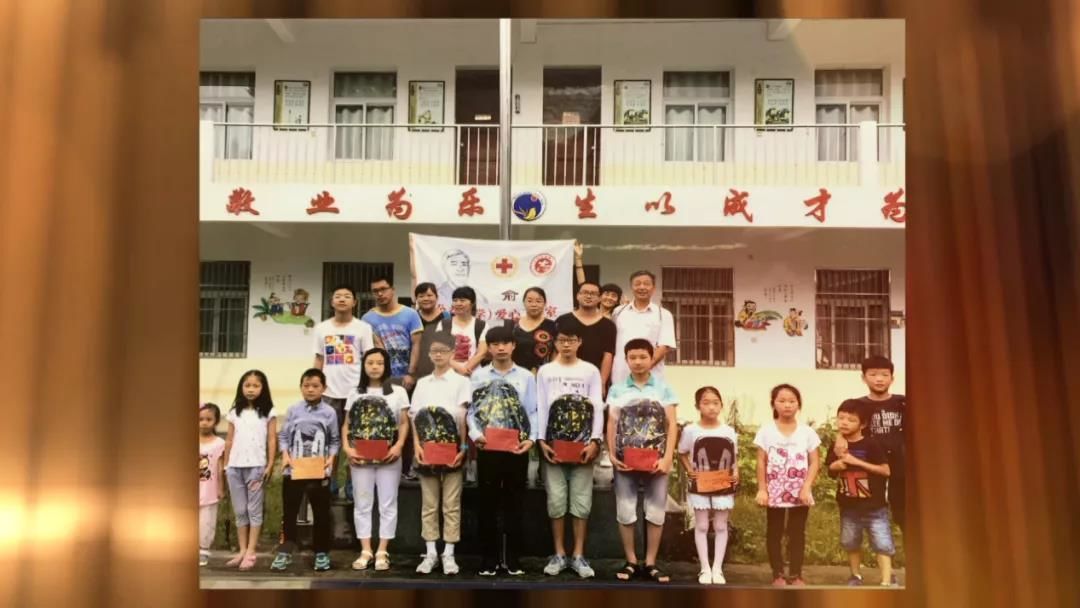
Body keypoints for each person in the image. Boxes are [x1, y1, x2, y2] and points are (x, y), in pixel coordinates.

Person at [468, 326, 539, 577]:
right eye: (495, 344)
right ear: (488, 348)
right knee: (487, 503)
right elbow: (472, 411)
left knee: (514, 503)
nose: (500, 348)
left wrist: (530, 439)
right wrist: (475, 435)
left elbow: (532, 410)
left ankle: (512, 559)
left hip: (516, 447)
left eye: (505, 343)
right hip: (487, 446)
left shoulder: (526, 377)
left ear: (513, 346)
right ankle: (488, 559)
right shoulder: (478, 376)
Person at [606, 339, 679, 584]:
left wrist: (668, 457)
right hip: (625, 461)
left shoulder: (664, 388)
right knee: (625, 510)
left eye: (643, 357)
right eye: (633, 357)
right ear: (626, 360)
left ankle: (650, 563)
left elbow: (671, 424)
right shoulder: (617, 389)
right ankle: (631, 561)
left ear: (651, 358)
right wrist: (612, 454)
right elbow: (612, 422)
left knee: (656, 512)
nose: (638, 362)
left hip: (656, 462)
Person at [535, 323, 603, 579]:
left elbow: (597, 406)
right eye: (562, 340)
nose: (566, 344)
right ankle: (559, 553)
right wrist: (541, 440)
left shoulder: (590, 371)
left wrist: (595, 441)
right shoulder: (546, 371)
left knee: (581, 502)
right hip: (554, 446)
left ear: (579, 342)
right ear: (554, 342)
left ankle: (578, 555)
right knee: (556, 501)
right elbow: (541, 405)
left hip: (582, 448)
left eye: (571, 340)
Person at [343, 348, 411, 571]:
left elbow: (404, 423)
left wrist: (399, 446)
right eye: (370, 363)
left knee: (387, 503)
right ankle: (366, 550)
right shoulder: (355, 392)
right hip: (361, 457)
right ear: (364, 366)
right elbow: (347, 424)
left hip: (388, 457)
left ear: (386, 366)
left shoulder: (398, 392)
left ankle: (382, 550)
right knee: (362, 503)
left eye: (379, 363)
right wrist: (347, 448)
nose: (374, 367)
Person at [410, 332, 472, 576]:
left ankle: (449, 554)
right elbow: (414, 417)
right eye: (434, 351)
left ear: (452, 353)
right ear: (428, 354)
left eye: (443, 350)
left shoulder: (461, 382)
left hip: (452, 450)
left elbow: (463, 419)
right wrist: (417, 446)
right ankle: (430, 553)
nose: (438, 355)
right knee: (429, 504)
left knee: (451, 504)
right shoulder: (423, 383)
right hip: (427, 450)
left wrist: (463, 448)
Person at [313, 284, 382, 500]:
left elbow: (370, 359)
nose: (342, 299)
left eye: (347, 296)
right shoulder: (322, 328)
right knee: (329, 440)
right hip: (329, 394)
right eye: (338, 296)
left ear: (354, 302)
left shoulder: (363, 328)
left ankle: (353, 483)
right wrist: (315, 388)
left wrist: (370, 389)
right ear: (332, 301)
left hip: (355, 393)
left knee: (356, 439)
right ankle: (331, 480)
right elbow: (319, 358)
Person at [270, 369, 339, 572]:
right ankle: (285, 552)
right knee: (290, 512)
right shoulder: (293, 410)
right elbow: (284, 436)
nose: (310, 390)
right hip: (294, 470)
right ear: (301, 387)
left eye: (315, 386)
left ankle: (321, 553)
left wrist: (331, 458)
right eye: (306, 386)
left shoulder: (329, 412)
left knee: (321, 513)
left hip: (319, 471)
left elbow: (334, 440)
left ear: (323, 388)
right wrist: (285, 454)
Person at [753, 383, 821, 586]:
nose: (787, 405)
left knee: (797, 532)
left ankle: (796, 574)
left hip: (800, 492)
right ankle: (778, 573)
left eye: (792, 401)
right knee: (774, 532)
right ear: (773, 404)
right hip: (774, 491)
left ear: (799, 404)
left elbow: (814, 462)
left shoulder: (807, 432)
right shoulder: (766, 431)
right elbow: (761, 461)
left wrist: (806, 487)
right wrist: (762, 489)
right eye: (782, 401)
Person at [833, 355, 907, 538]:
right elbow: (846, 424)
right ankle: (875, 545)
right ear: (863, 378)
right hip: (870, 464)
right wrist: (840, 436)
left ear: (892, 378)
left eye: (884, 375)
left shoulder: (902, 402)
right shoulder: (859, 404)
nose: (879, 379)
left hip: (900, 464)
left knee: (903, 511)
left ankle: (910, 549)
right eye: (873, 374)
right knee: (870, 510)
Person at [826, 399, 896, 587]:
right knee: (850, 542)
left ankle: (887, 581)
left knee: (882, 544)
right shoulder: (837, 445)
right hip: (848, 505)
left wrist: (855, 461)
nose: (844, 423)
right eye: (841, 418)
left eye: (851, 420)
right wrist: (837, 464)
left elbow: (885, 471)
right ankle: (855, 576)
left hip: (875, 506)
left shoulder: (871, 444)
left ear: (862, 424)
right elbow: (830, 471)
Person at [677, 387, 738, 585]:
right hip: (701, 482)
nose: (711, 407)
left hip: (723, 482)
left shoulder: (728, 431)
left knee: (720, 525)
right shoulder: (690, 430)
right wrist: (689, 470)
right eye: (706, 403)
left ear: (721, 405)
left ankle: (718, 568)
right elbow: (682, 452)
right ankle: (704, 568)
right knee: (702, 525)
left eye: (715, 403)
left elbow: (733, 456)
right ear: (698, 406)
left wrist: (735, 472)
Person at [222, 370, 278, 571]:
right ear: (241, 388)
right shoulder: (234, 412)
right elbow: (229, 440)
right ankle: (242, 550)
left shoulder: (268, 412)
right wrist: (226, 465)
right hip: (234, 468)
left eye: (255, 385)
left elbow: (271, 439)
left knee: (254, 510)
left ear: (263, 388)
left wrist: (269, 464)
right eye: (247, 385)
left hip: (256, 467)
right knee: (240, 511)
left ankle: (251, 551)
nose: (251, 389)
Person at [610, 270, 677, 386]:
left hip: (651, 378)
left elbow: (664, 346)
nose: (642, 287)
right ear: (631, 287)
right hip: (620, 376)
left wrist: (641, 369)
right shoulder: (618, 312)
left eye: (646, 284)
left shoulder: (663, 314)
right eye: (637, 284)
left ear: (653, 288)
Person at [362, 276, 424, 391]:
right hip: (380, 379)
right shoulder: (367, 318)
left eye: (383, 289)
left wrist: (411, 374)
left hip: (406, 379)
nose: (380, 294)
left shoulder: (410, 314)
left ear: (393, 290)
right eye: (375, 291)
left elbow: (417, 345)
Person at [199, 403, 226, 567]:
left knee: (206, 522)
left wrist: (221, 488)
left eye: (208, 419)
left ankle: (203, 550)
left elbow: (220, 468)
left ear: (216, 421)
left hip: (209, 489)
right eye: (201, 419)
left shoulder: (219, 444)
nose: (204, 423)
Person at [511, 287, 558, 375]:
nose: (534, 304)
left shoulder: (552, 326)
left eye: (538, 301)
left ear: (545, 303)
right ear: (524, 302)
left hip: (543, 375)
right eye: (529, 301)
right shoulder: (513, 325)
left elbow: (556, 353)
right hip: (516, 375)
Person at [435, 248, 491, 318]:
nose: (460, 268)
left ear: (469, 268)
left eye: (464, 264)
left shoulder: (478, 295)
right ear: (444, 267)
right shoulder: (438, 294)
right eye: (454, 264)